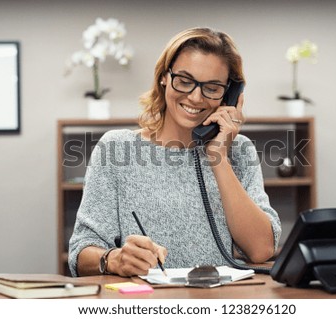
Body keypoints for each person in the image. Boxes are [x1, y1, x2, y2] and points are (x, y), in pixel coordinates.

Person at [68, 27, 281, 277]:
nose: (195, 97)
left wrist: (218, 157)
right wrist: (113, 259)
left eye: (212, 88)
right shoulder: (116, 148)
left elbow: (261, 250)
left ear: (229, 95)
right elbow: (81, 252)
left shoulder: (239, 150)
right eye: (184, 80)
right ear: (164, 77)